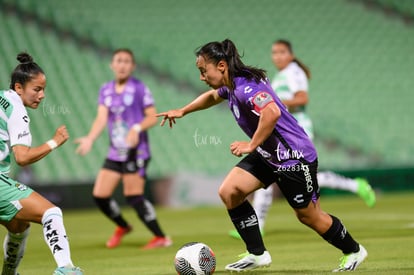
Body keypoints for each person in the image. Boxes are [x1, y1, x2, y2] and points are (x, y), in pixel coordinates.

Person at [157, 39, 368, 272]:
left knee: (309, 216)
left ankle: (354, 251)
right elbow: (213, 96)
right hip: (270, 153)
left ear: (221, 66)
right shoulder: (231, 84)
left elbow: (272, 112)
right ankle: (257, 254)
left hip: (293, 156)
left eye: (202, 71)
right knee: (230, 191)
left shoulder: (247, 87)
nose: (201, 77)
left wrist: (251, 144)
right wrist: (183, 111)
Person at [229, 39, 376, 239]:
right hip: (281, 134)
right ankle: (259, 224)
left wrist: (275, 103)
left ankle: (354, 185)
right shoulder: (282, 75)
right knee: (276, 177)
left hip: (296, 131)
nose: (277, 57)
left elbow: (302, 98)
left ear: (290, 55)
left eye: (281, 52)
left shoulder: (294, 72)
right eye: (274, 53)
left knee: (299, 178)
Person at [75, 49, 171, 249]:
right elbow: (101, 118)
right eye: (119, 61)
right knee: (100, 195)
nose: (122, 65)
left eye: (127, 61)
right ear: (112, 65)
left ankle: (161, 237)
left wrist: (136, 128)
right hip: (115, 152)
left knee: (133, 196)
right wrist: (90, 138)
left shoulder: (139, 88)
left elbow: (152, 115)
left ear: (133, 66)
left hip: (137, 151)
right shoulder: (105, 90)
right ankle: (123, 226)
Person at [0, 53, 83, 275]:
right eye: (36, 89)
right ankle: (66, 269)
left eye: (43, 89)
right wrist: (54, 142)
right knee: (51, 213)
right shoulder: (16, 108)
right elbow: (23, 157)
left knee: (18, 227)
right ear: (19, 87)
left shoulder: (1, 99)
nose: (42, 95)